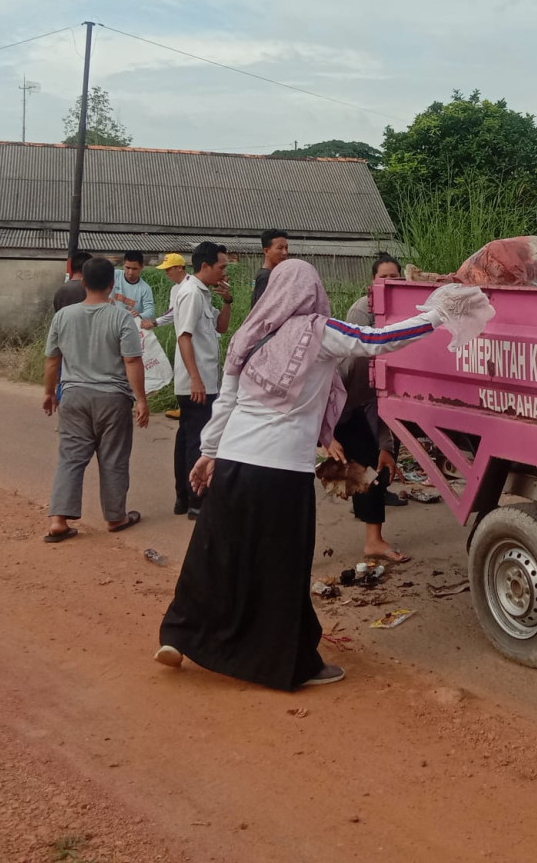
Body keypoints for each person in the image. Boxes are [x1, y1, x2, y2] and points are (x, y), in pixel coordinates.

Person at [154, 259, 456, 691]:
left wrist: (208, 454)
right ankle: (288, 662)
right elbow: (378, 339)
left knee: (216, 554)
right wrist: (438, 314)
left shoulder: (250, 334)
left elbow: (227, 403)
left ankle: (179, 636)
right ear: (310, 291)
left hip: (236, 461)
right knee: (281, 567)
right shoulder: (320, 331)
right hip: (281, 471)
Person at [41, 256, 150, 543]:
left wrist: (49, 392)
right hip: (112, 398)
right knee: (113, 458)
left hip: (74, 396)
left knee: (70, 457)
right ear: (113, 284)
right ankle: (116, 517)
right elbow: (132, 362)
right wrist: (141, 399)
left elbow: (53, 359)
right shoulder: (121, 317)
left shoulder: (63, 317)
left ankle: (58, 520)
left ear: (84, 282)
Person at [337, 253, 411, 564]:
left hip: (362, 402)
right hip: (336, 404)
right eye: (384, 277)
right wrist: (326, 433)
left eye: (395, 277)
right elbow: (362, 384)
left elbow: (380, 394)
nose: (389, 282)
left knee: (373, 464)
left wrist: (386, 445)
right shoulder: (362, 313)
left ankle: (373, 539)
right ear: (373, 282)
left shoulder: (403, 319)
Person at [171, 241, 232, 517]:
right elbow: (184, 336)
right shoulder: (192, 293)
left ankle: (184, 498)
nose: (224, 272)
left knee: (188, 437)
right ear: (205, 266)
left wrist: (227, 301)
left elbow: (221, 327)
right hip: (198, 381)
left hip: (203, 379)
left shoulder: (203, 293)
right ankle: (196, 502)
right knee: (198, 440)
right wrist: (195, 378)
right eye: (221, 267)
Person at [112, 251, 156, 329]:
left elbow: (150, 310)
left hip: (129, 325)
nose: (130, 272)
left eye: (134, 269)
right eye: (127, 268)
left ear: (142, 267)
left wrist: (139, 315)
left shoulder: (145, 288)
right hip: (111, 321)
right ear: (123, 265)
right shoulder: (114, 275)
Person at [250, 229, 290, 307]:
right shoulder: (266, 277)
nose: (285, 252)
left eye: (286, 248)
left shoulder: (263, 274)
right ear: (266, 251)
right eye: (280, 248)